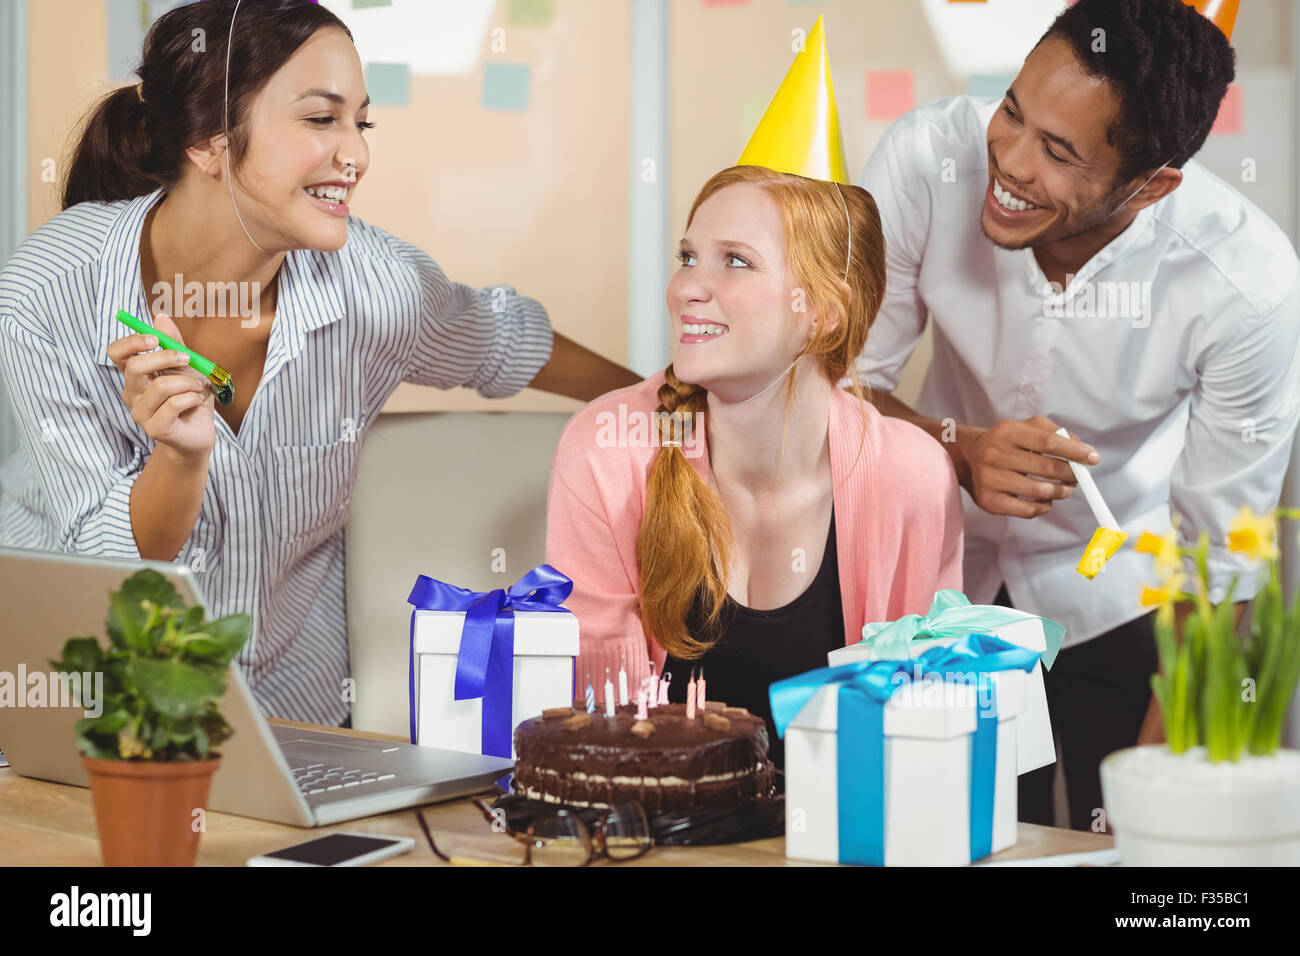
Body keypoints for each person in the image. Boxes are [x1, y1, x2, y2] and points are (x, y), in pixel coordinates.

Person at [0, 0, 638, 727]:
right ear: (209, 141)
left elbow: (501, 339)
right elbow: (105, 569)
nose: (357, 154)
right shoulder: (48, 295)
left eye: (360, 122)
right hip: (83, 698)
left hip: (288, 709)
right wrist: (178, 461)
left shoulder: (378, 289)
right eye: (319, 119)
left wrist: (665, 407)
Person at [852, 0, 1300, 828]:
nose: (1010, 163)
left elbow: (1220, 564)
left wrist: (1161, 803)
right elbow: (838, 389)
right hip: (941, 584)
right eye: (1013, 110)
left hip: (1122, 589)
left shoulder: (1247, 282)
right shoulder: (928, 161)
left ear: (1153, 182)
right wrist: (958, 448)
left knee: (1123, 835)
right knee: (945, 835)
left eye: (1059, 152)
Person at [545, 23, 963, 771]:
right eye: (688, 257)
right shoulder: (607, 449)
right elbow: (597, 729)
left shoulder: (911, 475)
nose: (686, 289)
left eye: (734, 261)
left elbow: (924, 738)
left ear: (823, 313)